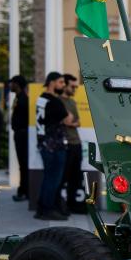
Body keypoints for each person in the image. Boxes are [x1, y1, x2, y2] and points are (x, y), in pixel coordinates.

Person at [35, 71, 72, 221]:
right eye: (61, 82)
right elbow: (69, 120)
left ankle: (42, 208)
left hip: (45, 145)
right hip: (55, 146)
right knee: (53, 180)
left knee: (48, 179)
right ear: (52, 82)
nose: (63, 85)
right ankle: (47, 210)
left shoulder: (41, 98)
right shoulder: (54, 101)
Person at [59, 74, 85, 215]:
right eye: (72, 86)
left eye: (76, 86)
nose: (75, 89)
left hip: (77, 143)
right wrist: (70, 122)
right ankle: (60, 206)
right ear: (65, 85)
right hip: (66, 144)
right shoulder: (58, 101)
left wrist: (71, 122)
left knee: (75, 177)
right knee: (63, 177)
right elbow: (66, 122)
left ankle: (72, 205)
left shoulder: (72, 102)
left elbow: (77, 122)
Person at [9, 75, 29, 202]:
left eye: (12, 83)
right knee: (22, 163)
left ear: (17, 84)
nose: (10, 85)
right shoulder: (19, 98)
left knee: (23, 163)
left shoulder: (23, 99)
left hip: (22, 135)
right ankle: (23, 190)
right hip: (19, 134)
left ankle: (24, 191)